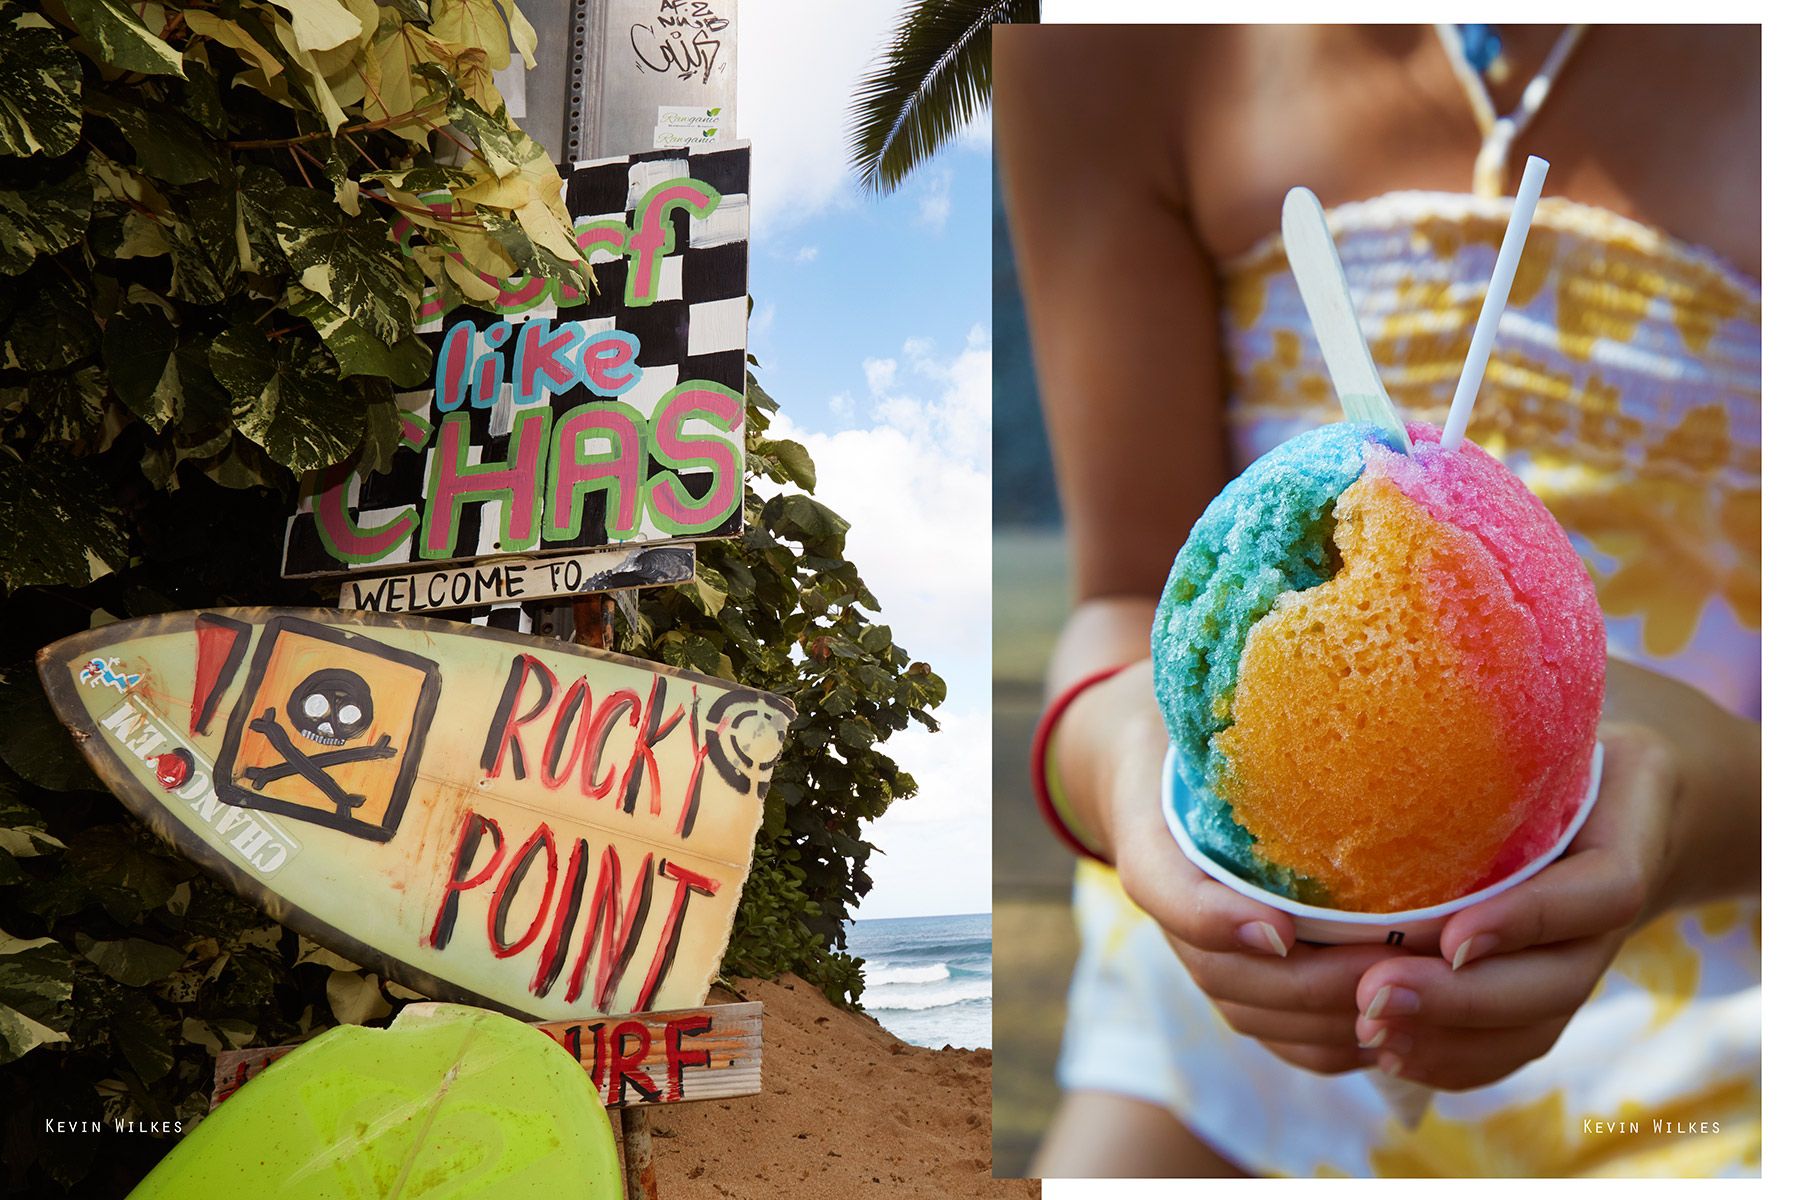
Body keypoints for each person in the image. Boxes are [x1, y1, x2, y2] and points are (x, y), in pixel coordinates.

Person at [997, 24, 1760, 1177]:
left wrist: (1696, 809)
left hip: (1708, 1029)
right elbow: (1119, 599)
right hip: (1218, 1000)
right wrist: (1114, 770)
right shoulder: (1102, 46)